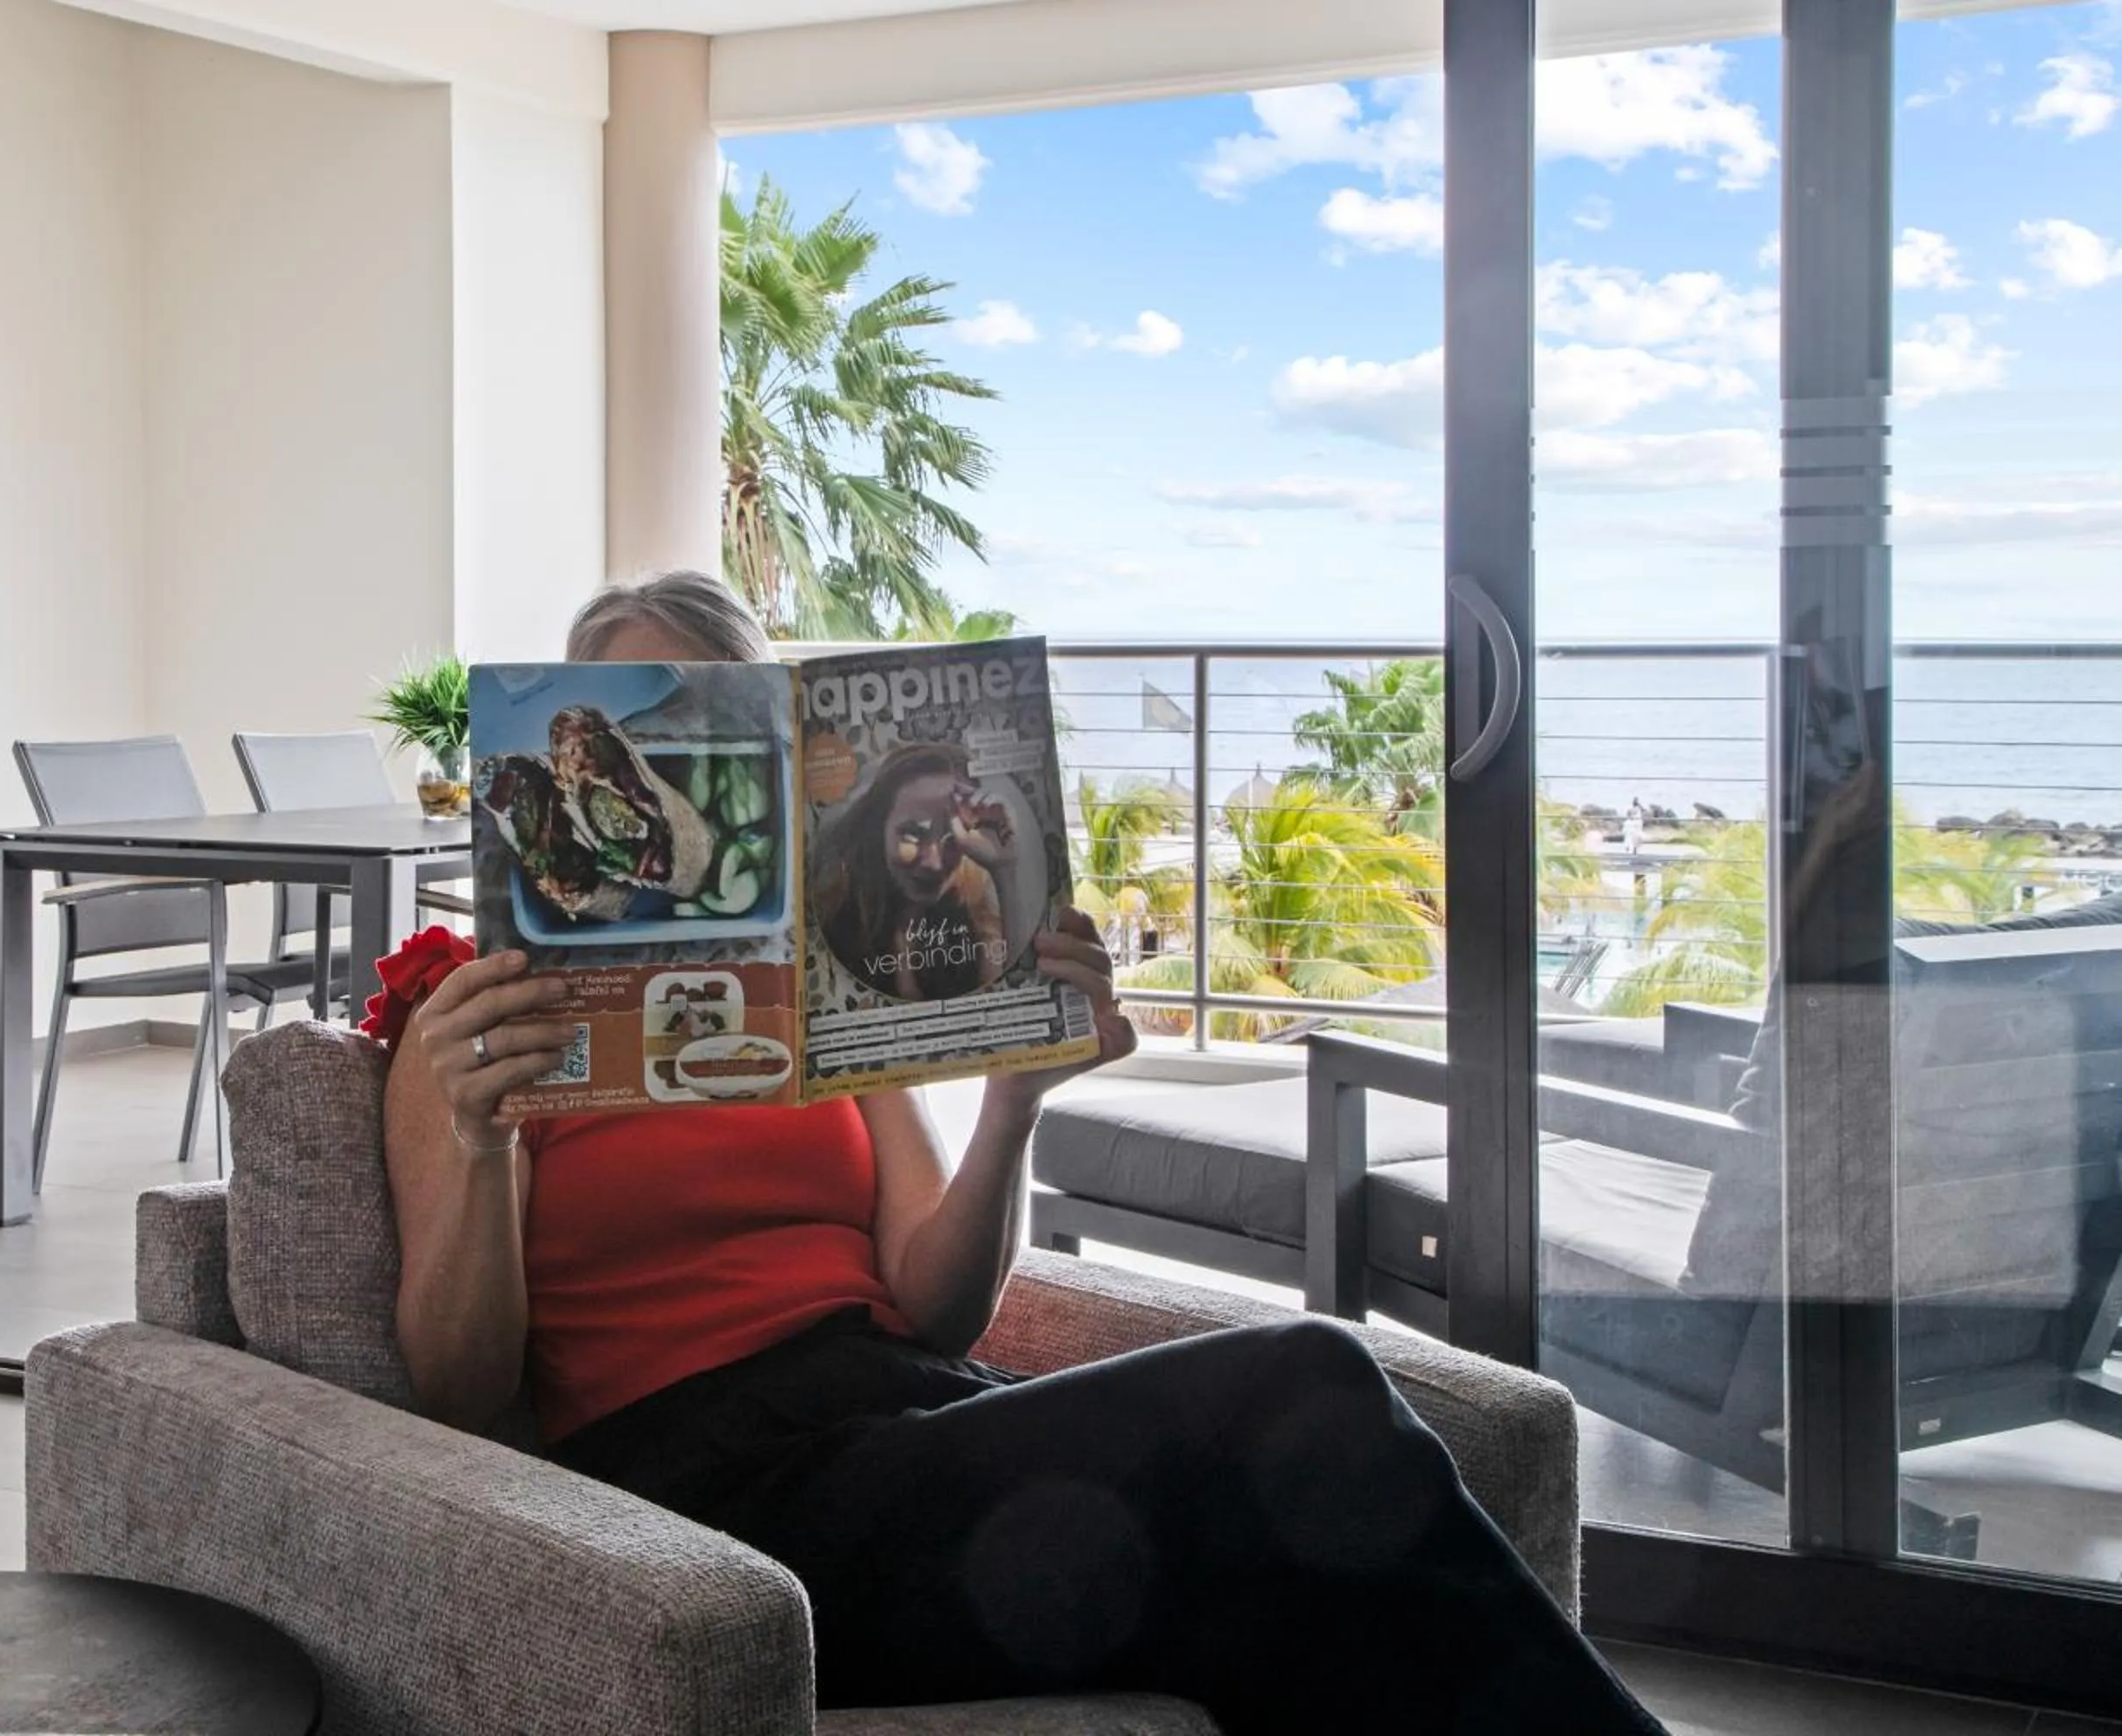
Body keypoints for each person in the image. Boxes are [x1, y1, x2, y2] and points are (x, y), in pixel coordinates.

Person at [378, 569, 1666, 1733]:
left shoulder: (816, 991)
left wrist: (1014, 1103)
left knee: (1291, 1590)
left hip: (907, 1420)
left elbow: (938, 1310)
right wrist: (483, 1140)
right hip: (704, 1485)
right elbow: (456, 1386)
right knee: (1310, 1379)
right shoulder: (481, 1023)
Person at [816, 740, 1018, 1000]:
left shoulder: (980, 920)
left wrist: (1005, 868)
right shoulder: (835, 911)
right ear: (878, 827)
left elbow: (1013, 991)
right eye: (912, 834)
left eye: (952, 840)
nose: (934, 863)